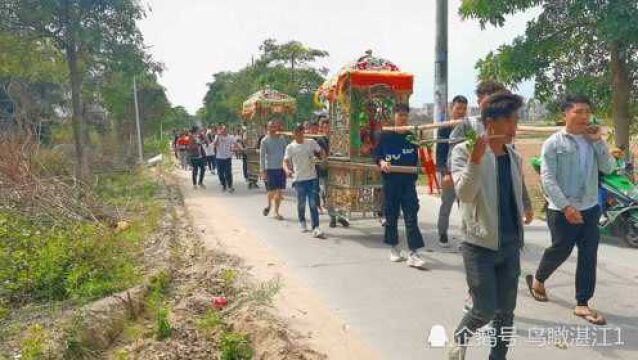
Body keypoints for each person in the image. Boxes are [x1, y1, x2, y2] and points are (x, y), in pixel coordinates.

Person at [448, 92, 533, 360]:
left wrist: (528, 205)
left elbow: (516, 188)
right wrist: (475, 159)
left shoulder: (513, 155)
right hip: (479, 245)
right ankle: (459, 338)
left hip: (510, 244)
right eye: (511, 121)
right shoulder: (463, 152)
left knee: (505, 313)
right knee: (484, 309)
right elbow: (464, 194)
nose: (515, 128)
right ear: (491, 122)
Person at [526, 95, 614, 326]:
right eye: (578, 112)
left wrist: (598, 142)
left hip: (590, 208)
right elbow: (548, 179)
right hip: (561, 209)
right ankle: (539, 279)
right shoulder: (553, 143)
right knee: (561, 249)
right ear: (565, 114)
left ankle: (582, 303)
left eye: (587, 111)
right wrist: (566, 206)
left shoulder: (592, 140)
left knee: (588, 254)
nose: (584, 116)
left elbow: (608, 167)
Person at [375, 104, 427, 270]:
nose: (403, 117)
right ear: (394, 115)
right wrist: (382, 162)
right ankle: (394, 248)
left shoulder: (412, 136)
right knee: (391, 215)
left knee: (411, 216)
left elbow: (419, 156)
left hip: (408, 182)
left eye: (405, 115)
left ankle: (414, 252)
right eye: (400, 115)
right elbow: (377, 155)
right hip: (391, 182)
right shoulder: (386, 135)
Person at [436, 95, 468, 248]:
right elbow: (440, 153)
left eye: (464, 109)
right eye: (458, 108)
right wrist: (445, 174)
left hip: (465, 173)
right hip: (449, 173)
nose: (461, 111)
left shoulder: (468, 127)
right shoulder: (444, 128)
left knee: (466, 207)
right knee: (446, 205)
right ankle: (442, 233)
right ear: (451, 109)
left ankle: (466, 238)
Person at [283, 123, 326, 238]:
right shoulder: (290, 147)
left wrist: (322, 159)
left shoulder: (311, 142)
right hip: (299, 179)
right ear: (294, 133)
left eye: (302, 131)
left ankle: (316, 227)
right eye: (298, 132)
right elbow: (285, 161)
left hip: (312, 177)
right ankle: (302, 221)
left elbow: (321, 151)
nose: (300, 134)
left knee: (313, 203)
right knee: (301, 203)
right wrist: (287, 170)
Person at [260, 120, 288, 220]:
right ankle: (269, 205)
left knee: (279, 191)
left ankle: (276, 212)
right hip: (270, 168)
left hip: (281, 168)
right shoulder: (265, 140)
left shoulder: (282, 139)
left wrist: (289, 167)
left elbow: (286, 153)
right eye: (271, 126)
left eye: (275, 126)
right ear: (268, 128)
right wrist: (263, 170)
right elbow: (262, 156)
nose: (273, 128)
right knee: (272, 190)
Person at [214, 125, 237, 193]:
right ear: (221, 130)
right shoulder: (217, 136)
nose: (224, 131)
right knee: (220, 173)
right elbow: (215, 144)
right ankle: (224, 185)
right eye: (223, 130)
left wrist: (239, 149)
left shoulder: (230, 137)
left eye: (225, 130)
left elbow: (235, 143)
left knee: (228, 172)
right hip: (219, 158)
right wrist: (218, 136)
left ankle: (230, 186)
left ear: (227, 130)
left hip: (227, 157)